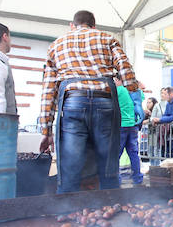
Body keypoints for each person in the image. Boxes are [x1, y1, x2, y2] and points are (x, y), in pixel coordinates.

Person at [38, 10, 139, 192]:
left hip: (73, 104)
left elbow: (48, 89)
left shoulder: (56, 45)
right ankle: (111, 208)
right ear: (94, 25)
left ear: (72, 25)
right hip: (105, 104)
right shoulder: (107, 39)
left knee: (70, 165)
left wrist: (46, 129)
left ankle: (67, 212)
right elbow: (125, 67)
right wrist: (133, 91)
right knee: (108, 165)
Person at [115, 75, 143, 185]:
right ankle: (137, 178)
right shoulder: (132, 92)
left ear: (118, 80)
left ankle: (116, 179)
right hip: (132, 125)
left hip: (121, 125)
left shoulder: (119, 90)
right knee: (133, 153)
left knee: (117, 153)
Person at [151, 87, 173, 159]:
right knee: (165, 150)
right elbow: (166, 115)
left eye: (165, 94)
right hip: (168, 131)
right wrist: (160, 119)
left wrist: (159, 120)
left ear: (171, 94)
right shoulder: (168, 103)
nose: (164, 96)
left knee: (171, 150)